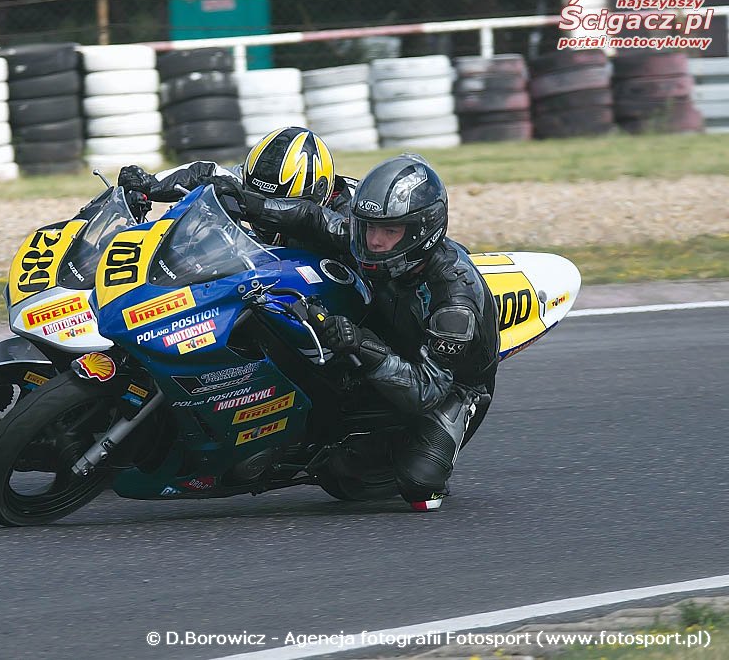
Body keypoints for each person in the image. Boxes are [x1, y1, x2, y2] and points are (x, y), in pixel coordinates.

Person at [210, 153, 500, 512]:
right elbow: (314, 218)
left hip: (449, 384)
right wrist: (249, 204)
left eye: (389, 231)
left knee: (411, 483)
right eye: (369, 227)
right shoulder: (368, 239)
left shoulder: (454, 302)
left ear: (421, 233)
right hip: (389, 337)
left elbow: (427, 391)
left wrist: (362, 345)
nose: (374, 241)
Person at [117, 126, 357, 254]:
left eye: (279, 200)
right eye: (256, 193)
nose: (264, 202)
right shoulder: (249, 179)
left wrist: (253, 204)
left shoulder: (352, 209)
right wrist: (149, 184)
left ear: (317, 191)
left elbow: (317, 218)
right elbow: (207, 173)